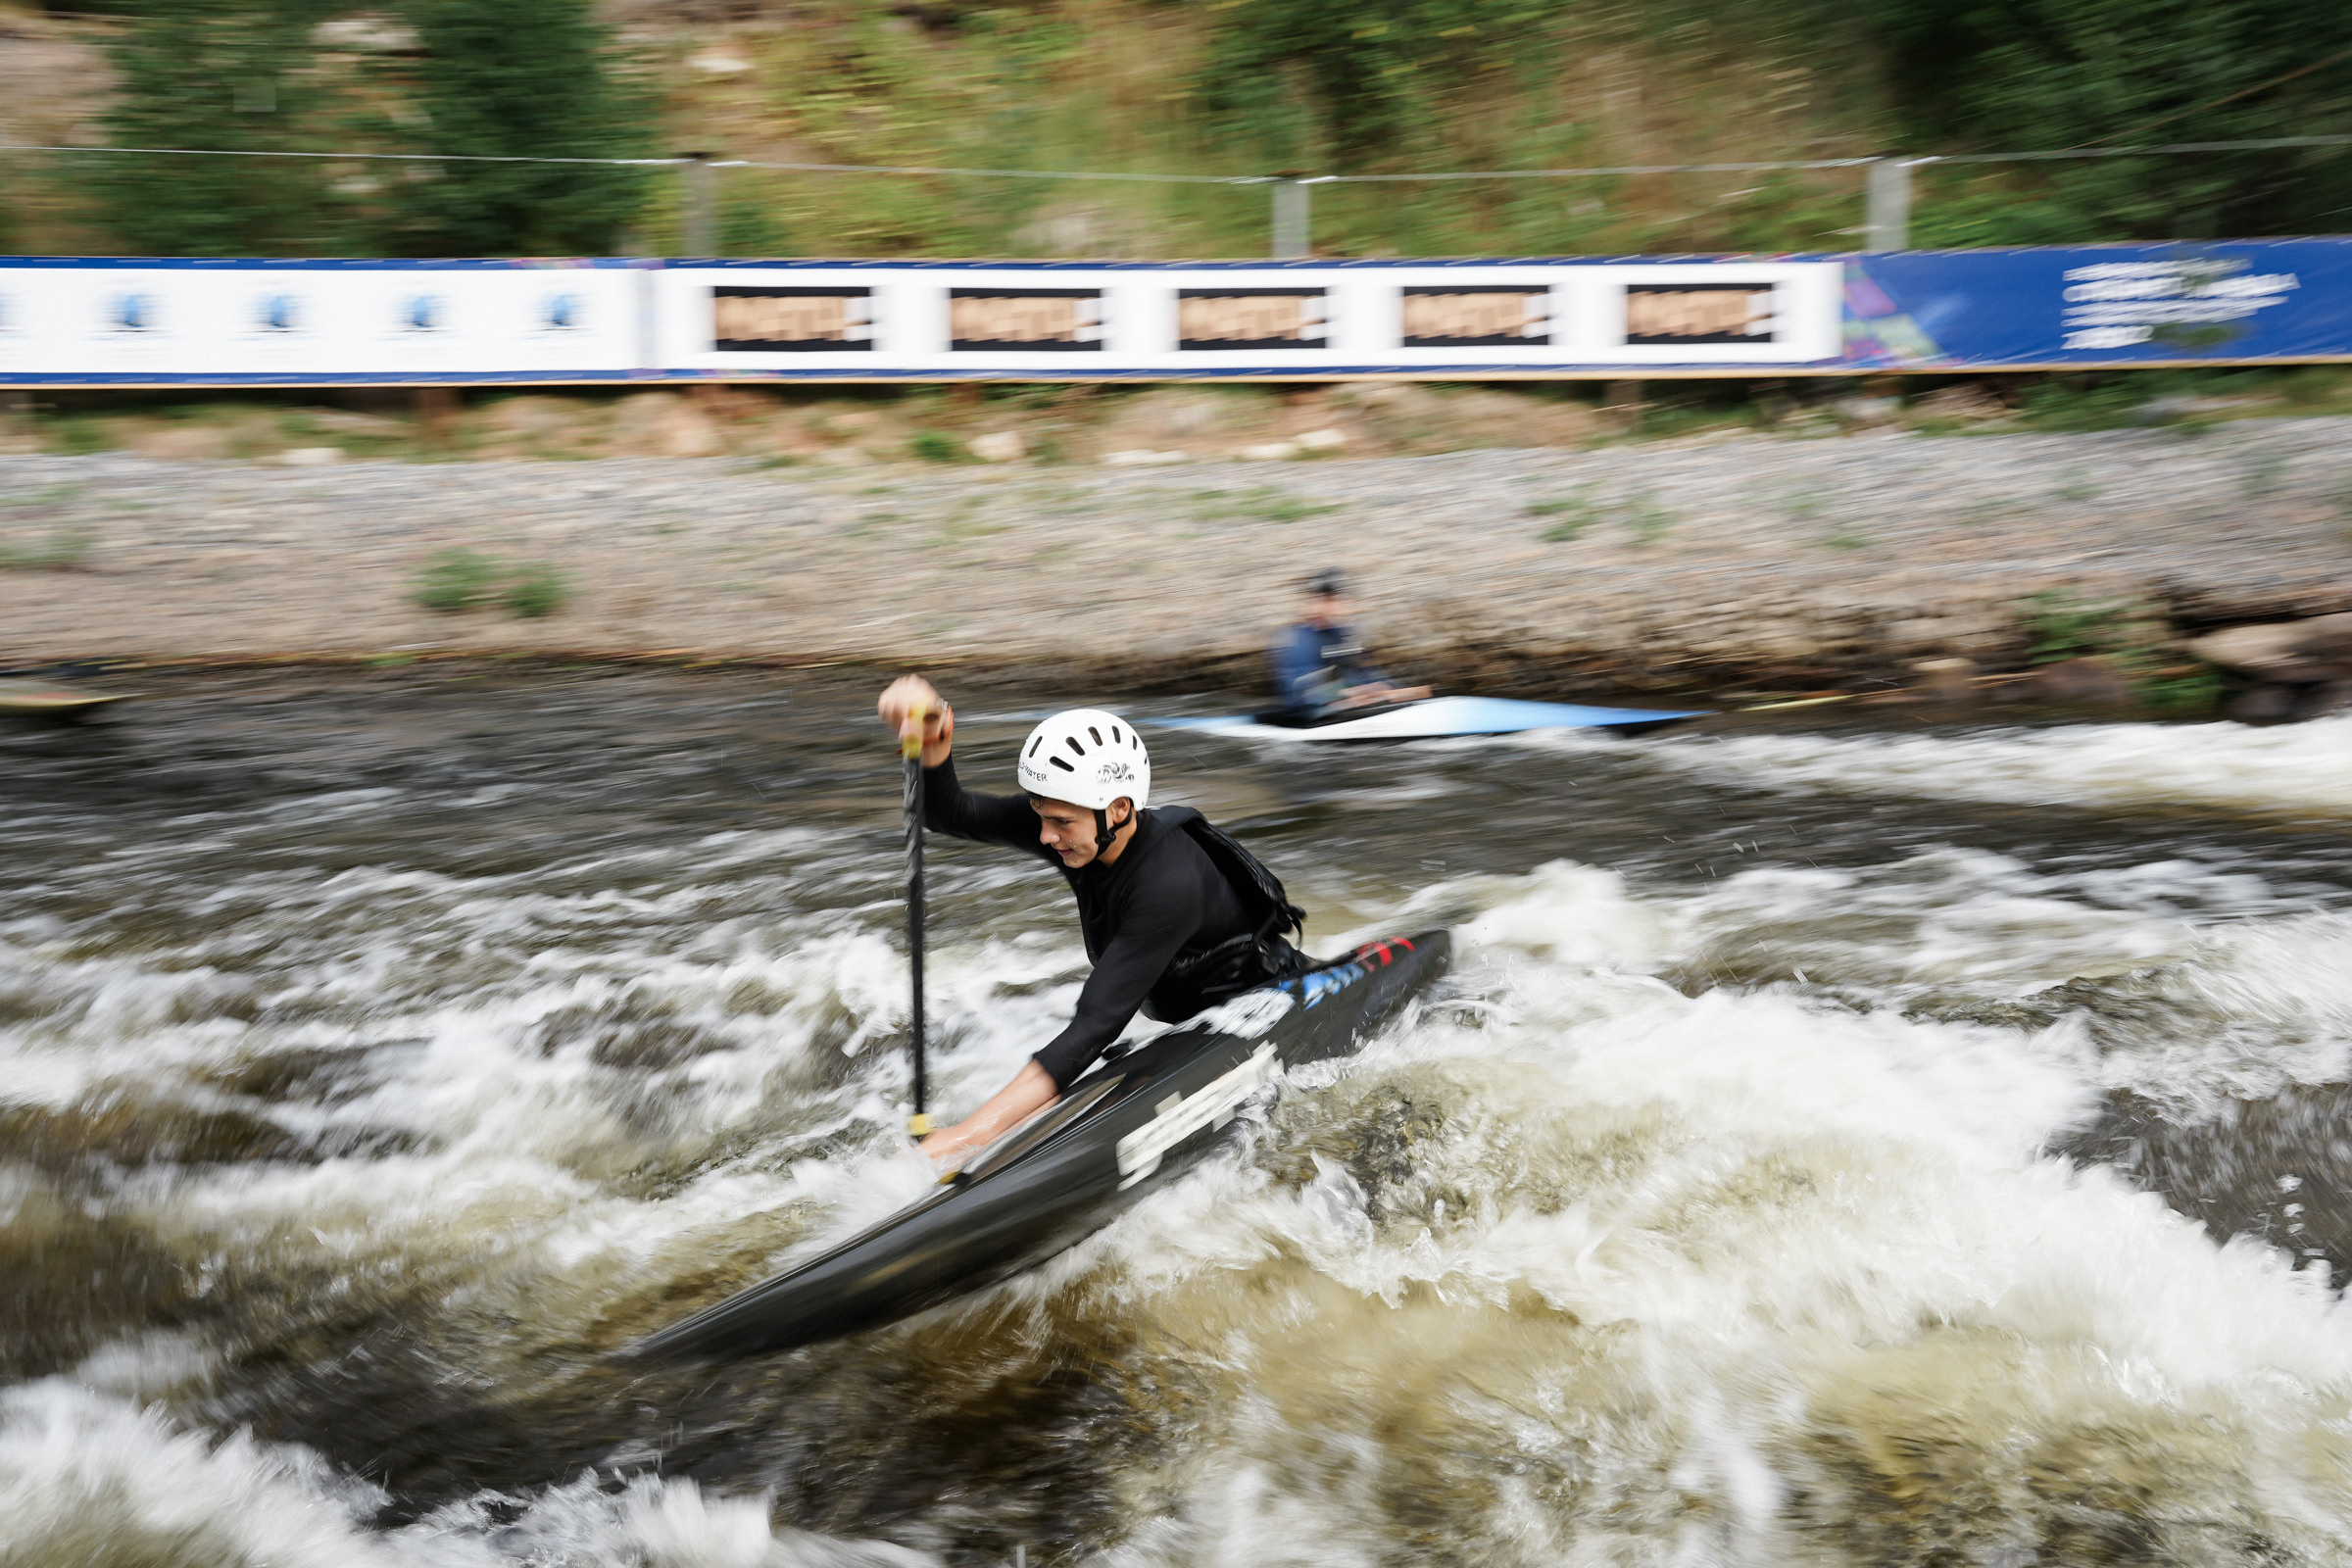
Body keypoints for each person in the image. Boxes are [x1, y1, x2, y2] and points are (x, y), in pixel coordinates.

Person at [877, 675, 1312, 1165]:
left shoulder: (1168, 884)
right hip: (1187, 1026)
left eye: (1060, 823)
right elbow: (950, 813)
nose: (1045, 837)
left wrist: (968, 1136)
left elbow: (1095, 1026)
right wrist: (934, 740)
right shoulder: (1077, 822)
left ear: (1120, 809)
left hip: (1263, 1008)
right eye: (1040, 815)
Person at [1267, 569, 1431, 722]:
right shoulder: (1296, 637)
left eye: (1338, 599)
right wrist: (1349, 692)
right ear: (1312, 604)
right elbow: (1299, 690)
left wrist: (1398, 690)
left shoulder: (1347, 634)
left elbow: (1369, 673)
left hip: (1350, 705)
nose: (1338, 605)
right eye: (1329, 600)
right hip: (1310, 715)